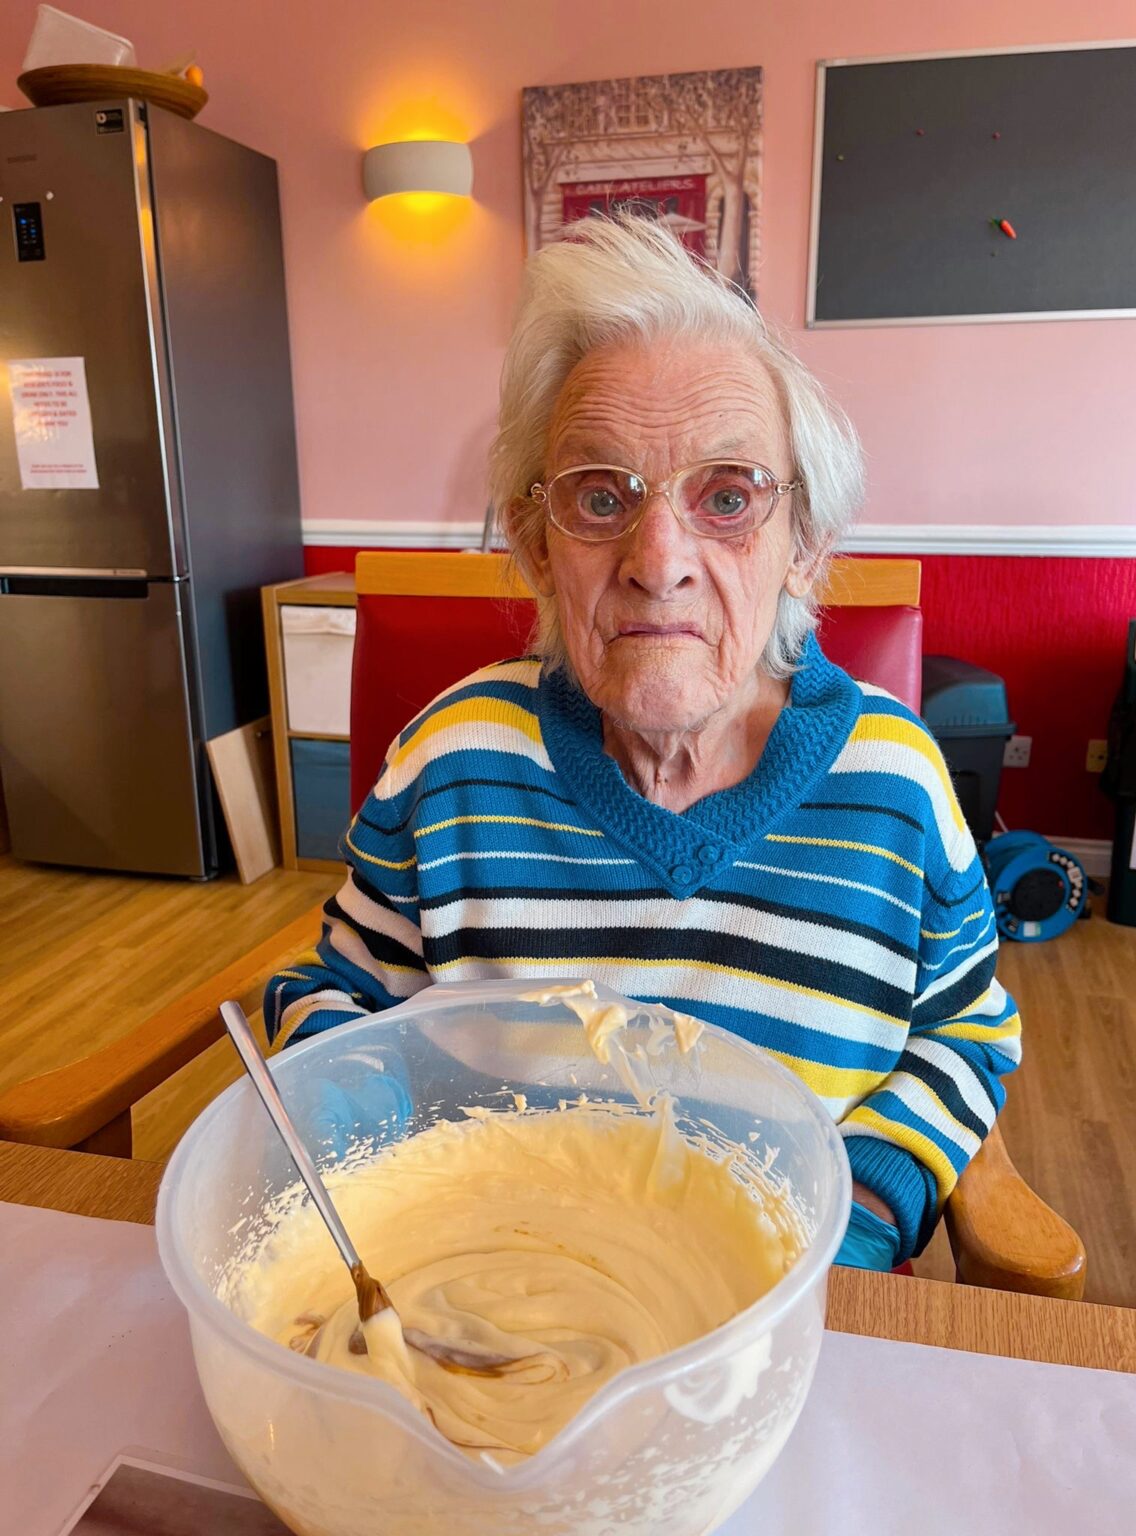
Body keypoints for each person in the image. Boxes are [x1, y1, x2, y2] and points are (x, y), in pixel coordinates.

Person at [264, 213, 1020, 1272]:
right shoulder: (452, 761)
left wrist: (848, 1223)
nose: (657, 560)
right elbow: (340, 997)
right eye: (599, 497)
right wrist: (365, 1134)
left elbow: (967, 1034)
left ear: (804, 545)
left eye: (727, 498)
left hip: (784, 1303)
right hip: (490, 1272)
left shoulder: (895, 786)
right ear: (538, 547)